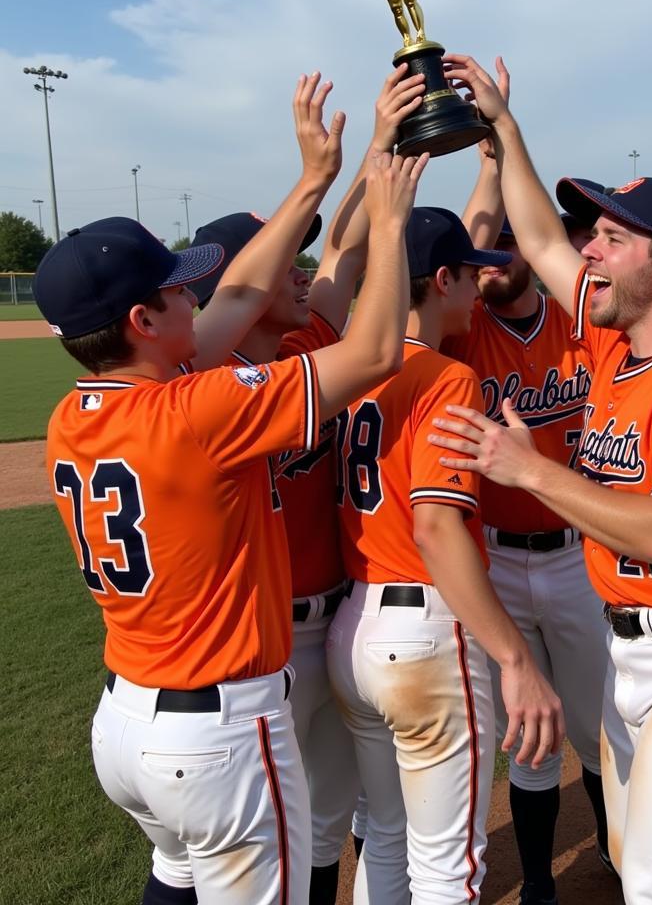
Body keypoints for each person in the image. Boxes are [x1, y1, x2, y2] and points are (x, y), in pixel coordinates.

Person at [36, 70, 426, 905]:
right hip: (219, 732)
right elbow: (375, 354)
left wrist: (316, 178)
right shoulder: (197, 408)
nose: (197, 293)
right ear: (143, 321)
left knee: (174, 879)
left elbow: (242, 294)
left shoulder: (74, 414)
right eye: (177, 288)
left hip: (125, 724)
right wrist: (390, 226)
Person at [431, 55, 652, 905]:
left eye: (613, 238)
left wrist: (530, 471)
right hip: (639, 651)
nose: (588, 248)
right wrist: (503, 127)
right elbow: (541, 239)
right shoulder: (614, 344)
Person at [181, 65, 428, 904]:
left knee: (327, 824)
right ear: (234, 282)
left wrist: (381, 144)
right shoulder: (191, 395)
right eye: (286, 256)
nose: (303, 271)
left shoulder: (304, 348)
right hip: (258, 654)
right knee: (260, 849)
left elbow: (350, 247)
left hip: (337, 629)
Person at [325, 204, 565, 905]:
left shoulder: (343, 365)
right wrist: (516, 658)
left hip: (353, 626)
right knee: (448, 870)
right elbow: (435, 527)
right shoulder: (446, 377)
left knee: (386, 838)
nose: (478, 289)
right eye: (470, 274)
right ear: (440, 279)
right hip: (423, 635)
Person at [442, 119, 611, 904]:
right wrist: (485, 172)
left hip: (578, 556)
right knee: (528, 742)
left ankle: (619, 853)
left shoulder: (581, 328)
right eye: (484, 250)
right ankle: (541, 883)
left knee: (597, 728)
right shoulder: (460, 335)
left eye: (509, 246)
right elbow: (462, 247)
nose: (492, 262)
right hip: (494, 561)